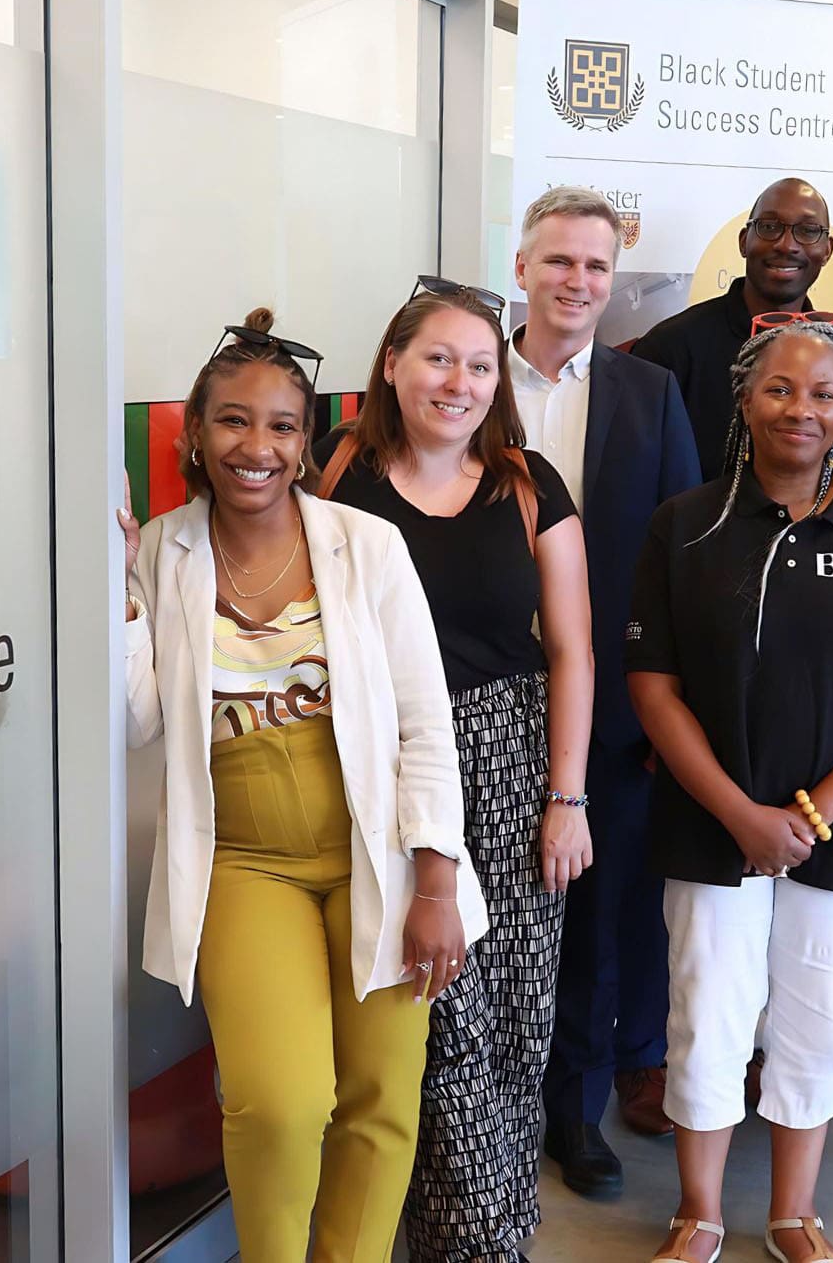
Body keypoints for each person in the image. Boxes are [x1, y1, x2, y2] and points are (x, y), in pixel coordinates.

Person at [120, 311, 487, 1262]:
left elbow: (422, 720)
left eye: (282, 426)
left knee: (379, 1103)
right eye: (234, 422)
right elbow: (137, 720)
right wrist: (115, 592)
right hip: (243, 865)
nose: (258, 446)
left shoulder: (364, 545)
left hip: (381, 855)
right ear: (195, 434)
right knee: (280, 1102)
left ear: (305, 440)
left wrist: (438, 885)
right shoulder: (164, 552)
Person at [624, 320, 833, 1263]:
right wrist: (739, 814)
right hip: (711, 821)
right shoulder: (685, 524)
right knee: (707, 1013)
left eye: (821, 394)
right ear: (744, 398)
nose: (800, 408)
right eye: (779, 389)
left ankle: (795, 1214)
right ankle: (700, 1212)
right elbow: (654, 686)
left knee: (810, 1012)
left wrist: (813, 816)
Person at [319, 275, 593, 1262]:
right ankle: (458, 1240)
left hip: (510, 766)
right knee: (427, 1027)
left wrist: (568, 797)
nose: (459, 381)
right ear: (391, 365)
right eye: (437, 358)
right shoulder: (337, 470)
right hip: (376, 769)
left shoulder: (529, 484)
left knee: (512, 1026)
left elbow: (573, 650)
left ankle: (486, 1232)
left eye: (480, 365)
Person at [506, 188, 707, 1200]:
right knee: (491, 906)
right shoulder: (464, 381)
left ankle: (572, 1113)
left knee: (597, 914)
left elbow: (679, 560)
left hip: (617, 707)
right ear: (522, 269)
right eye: (559, 262)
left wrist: (667, 709)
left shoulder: (649, 394)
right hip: (483, 696)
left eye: (595, 267)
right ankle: (485, 1105)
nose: (578, 283)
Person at [631, 178, 833, 479]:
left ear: (827, 250)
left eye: (807, 231)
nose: (786, 244)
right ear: (744, 241)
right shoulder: (669, 349)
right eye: (769, 226)